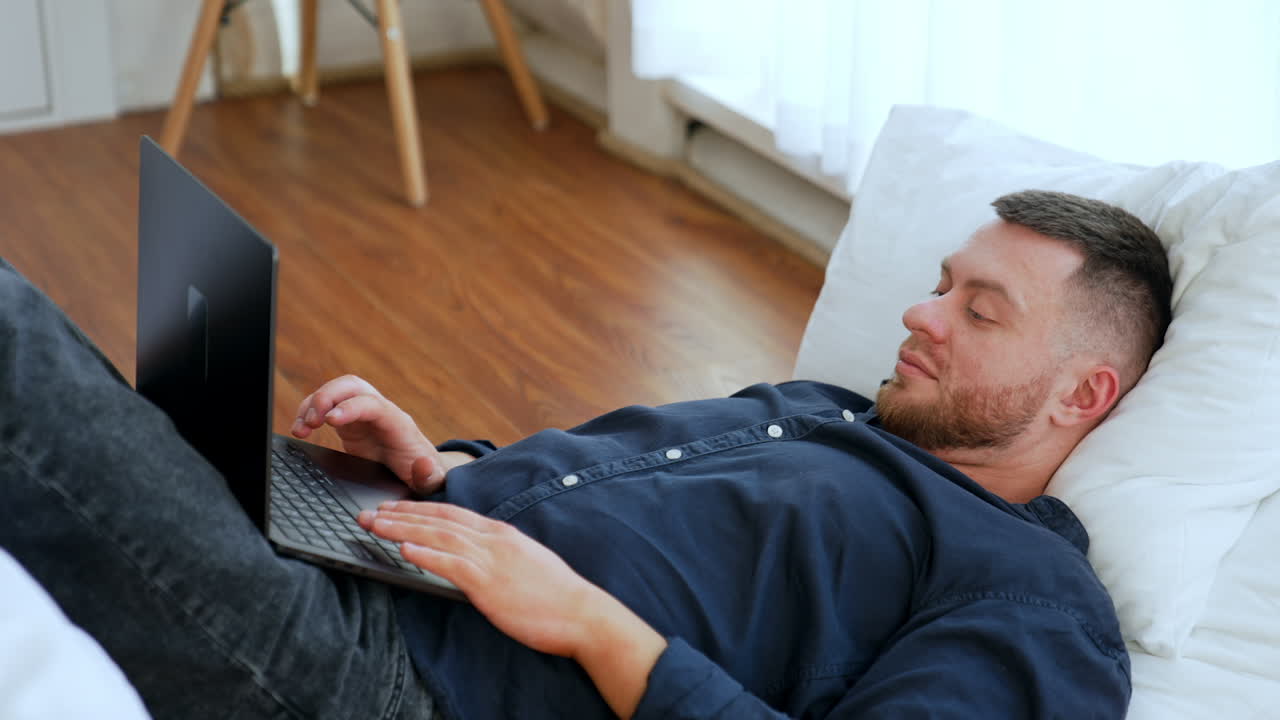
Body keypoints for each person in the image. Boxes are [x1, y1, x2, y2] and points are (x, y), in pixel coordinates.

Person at [0, 189, 1170, 719]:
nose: (920, 316)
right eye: (935, 288)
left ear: (1082, 391)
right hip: (369, 560)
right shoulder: (822, 408)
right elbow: (613, 508)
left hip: (393, 678)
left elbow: (583, 595)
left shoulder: (1030, 600)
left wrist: (587, 622)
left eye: (979, 311)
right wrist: (442, 466)